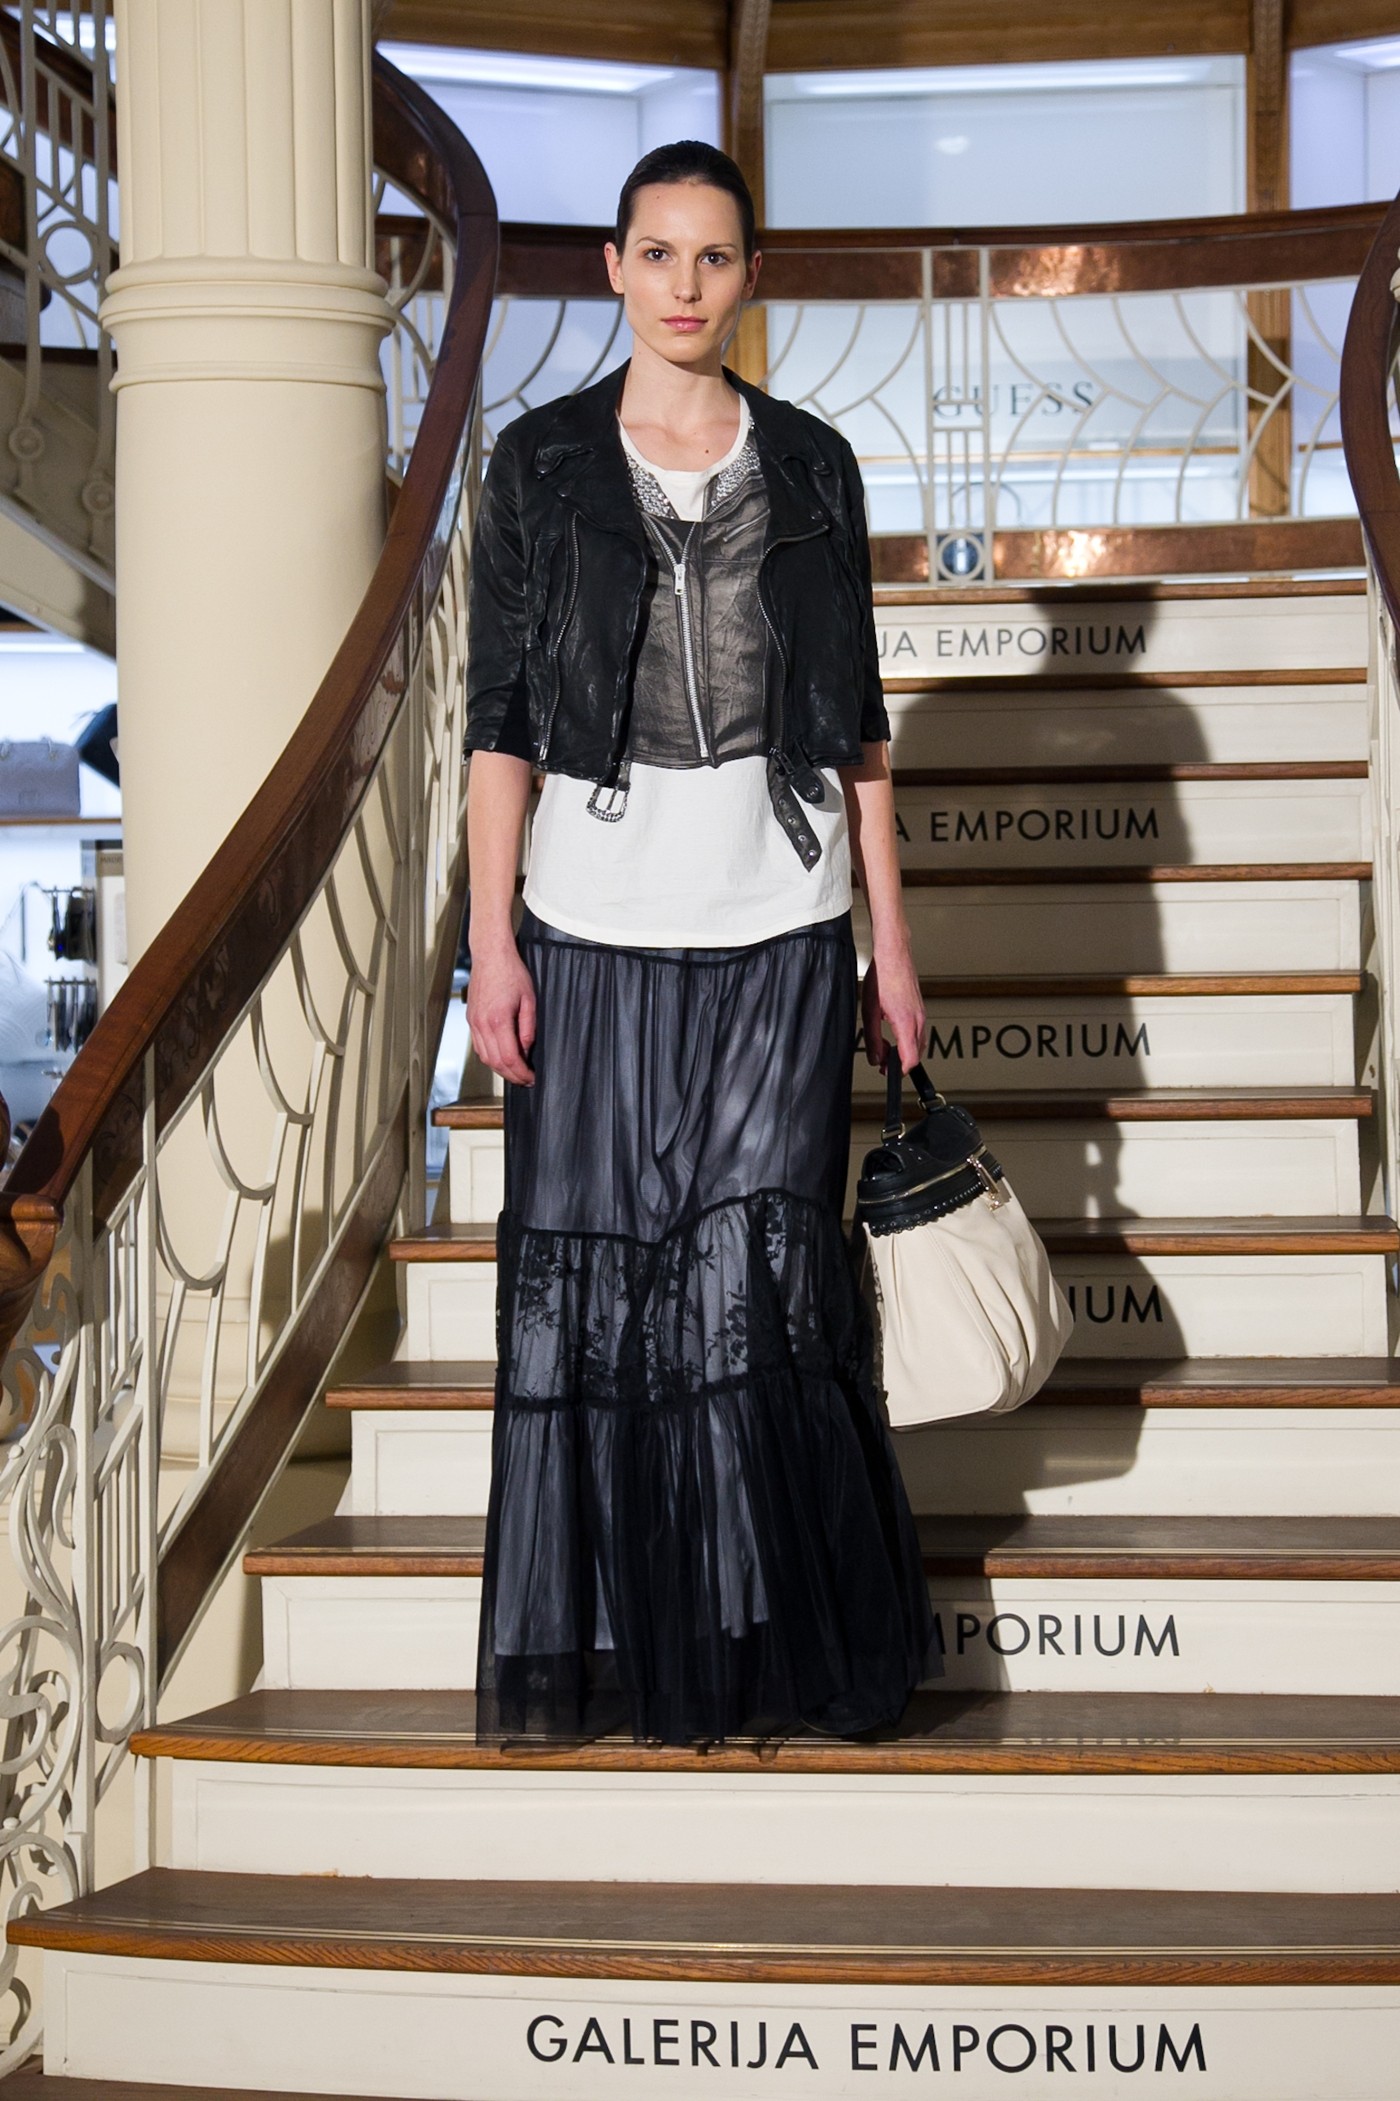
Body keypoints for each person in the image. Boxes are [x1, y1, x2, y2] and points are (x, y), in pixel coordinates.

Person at [463, 139, 940, 1744]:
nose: (684, 285)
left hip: (782, 927)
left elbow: (858, 730)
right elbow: (500, 726)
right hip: (588, 927)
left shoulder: (813, 463)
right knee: (601, 1287)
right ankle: (642, 1641)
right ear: (613, 266)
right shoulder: (537, 463)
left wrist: (889, 945)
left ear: (749, 275)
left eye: (713, 256)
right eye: (657, 254)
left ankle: (757, 1644)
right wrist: (491, 940)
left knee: (757, 1291)